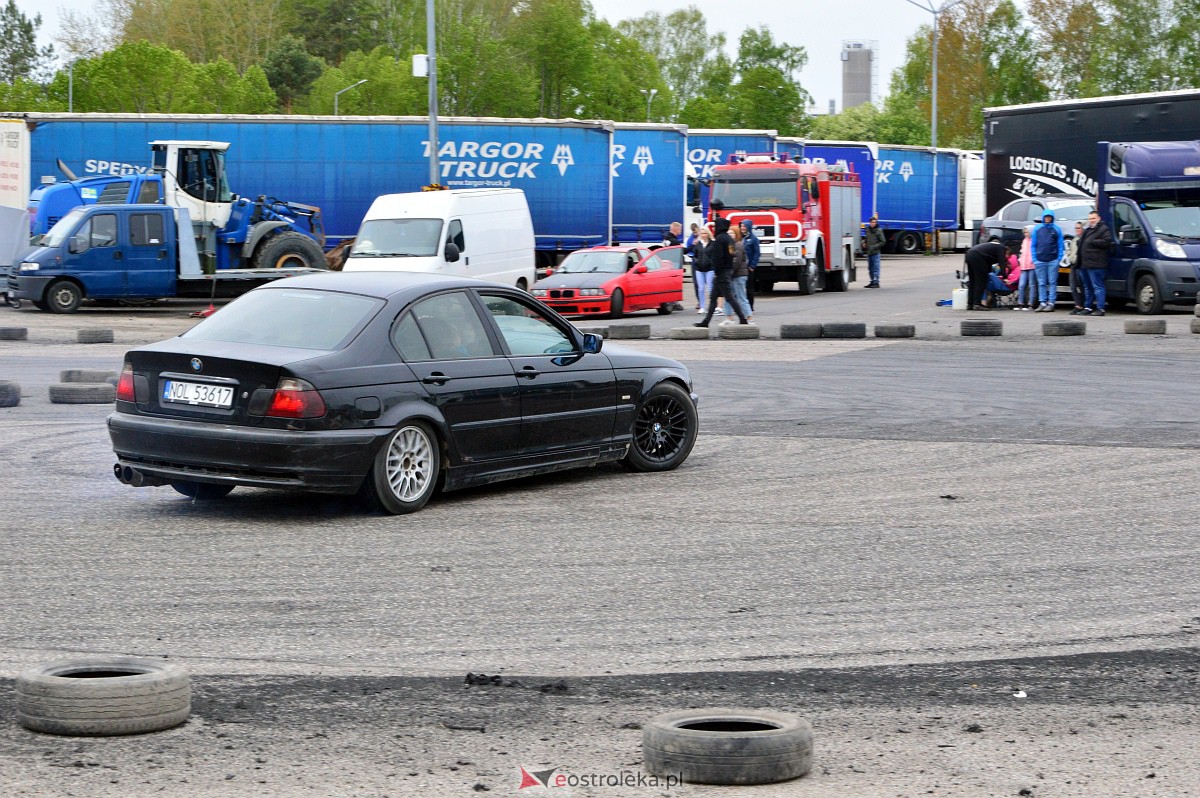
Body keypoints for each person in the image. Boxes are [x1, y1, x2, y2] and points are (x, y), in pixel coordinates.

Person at [695, 217, 748, 327]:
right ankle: (706, 321)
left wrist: (716, 271)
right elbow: (731, 254)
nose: (714, 228)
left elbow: (718, 257)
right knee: (714, 297)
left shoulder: (719, 239)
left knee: (729, 297)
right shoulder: (729, 239)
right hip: (727, 270)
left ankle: (743, 319)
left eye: (715, 226)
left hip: (721, 272)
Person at [1077, 209, 1112, 316]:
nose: (1091, 220)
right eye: (1090, 219)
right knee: (1087, 287)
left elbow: (1107, 242)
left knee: (1098, 286)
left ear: (1098, 218)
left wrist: (1093, 242)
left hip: (1097, 263)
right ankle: (1088, 307)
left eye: (1093, 218)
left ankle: (1100, 308)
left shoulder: (1103, 229)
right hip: (1085, 263)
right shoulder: (1087, 230)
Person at [1031, 210, 1064, 312]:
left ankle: (1051, 303)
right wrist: (1035, 259)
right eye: (1046, 217)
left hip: (1052, 260)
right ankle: (1042, 302)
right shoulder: (1037, 229)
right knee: (1041, 283)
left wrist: (1058, 258)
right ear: (1043, 218)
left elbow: (1060, 245)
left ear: (1052, 218)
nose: (1048, 219)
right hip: (1040, 260)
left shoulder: (1057, 229)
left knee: (1052, 282)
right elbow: (1033, 245)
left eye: (1049, 217)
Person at [963, 240, 1009, 311]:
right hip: (978, 257)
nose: (1007, 257)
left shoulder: (992, 246)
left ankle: (970, 304)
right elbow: (1001, 262)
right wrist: (1004, 276)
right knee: (981, 281)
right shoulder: (1001, 248)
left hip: (969, 254)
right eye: (1007, 255)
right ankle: (977, 304)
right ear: (1006, 251)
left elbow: (988, 263)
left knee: (973, 281)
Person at [723, 223, 753, 324]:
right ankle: (729, 318)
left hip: (739, 275)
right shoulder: (730, 246)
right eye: (728, 233)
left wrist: (729, 273)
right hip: (732, 274)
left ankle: (748, 318)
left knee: (741, 297)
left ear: (736, 234)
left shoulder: (738, 245)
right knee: (729, 297)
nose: (730, 235)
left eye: (732, 233)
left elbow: (736, 261)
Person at [691, 226, 715, 313]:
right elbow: (695, 255)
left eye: (705, 233)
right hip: (699, 269)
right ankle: (702, 306)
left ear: (708, 234)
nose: (703, 235)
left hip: (710, 269)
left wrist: (711, 262)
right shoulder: (698, 244)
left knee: (710, 288)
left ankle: (712, 306)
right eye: (702, 233)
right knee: (700, 288)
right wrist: (696, 261)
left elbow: (714, 256)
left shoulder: (712, 244)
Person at [1066, 221, 1085, 314]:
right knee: (1072, 286)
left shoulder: (1083, 239)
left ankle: (1083, 305)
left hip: (1080, 265)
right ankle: (1077, 305)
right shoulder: (1074, 239)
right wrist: (1069, 257)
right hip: (1073, 265)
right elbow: (1069, 250)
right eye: (1076, 228)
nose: (1077, 230)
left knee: (1081, 286)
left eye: (1079, 228)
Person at [740, 219, 760, 311]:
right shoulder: (741, 238)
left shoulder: (754, 239)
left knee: (749, 288)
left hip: (749, 267)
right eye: (741, 226)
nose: (742, 228)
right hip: (741, 267)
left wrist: (753, 265)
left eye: (744, 226)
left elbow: (757, 253)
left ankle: (750, 307)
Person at [1015, 225, 1036, 309]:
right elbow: (1022, 252)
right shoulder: (1024, 241)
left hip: (1031, 265)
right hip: (1023, 266)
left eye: (1027, 232)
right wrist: (1020, 261)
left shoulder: (1034, 241)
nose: (1025, 234)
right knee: (1021, 285)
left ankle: (1031, 303)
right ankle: (1021, 303)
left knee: (1032, 285)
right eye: (1024, 232)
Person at [863, 216, 885, 288]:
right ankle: (872, 281)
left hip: (875, 252)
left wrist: (875, 246)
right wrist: (864, 242)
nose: (873, 224)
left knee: (876, 268)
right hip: (869, 252)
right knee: (870, 268)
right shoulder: (868, 230)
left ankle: (876, 282)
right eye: (872, 222)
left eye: (874, 222)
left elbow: (883, 241)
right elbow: (865, 239)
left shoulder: (879, 231)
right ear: (869, 223)